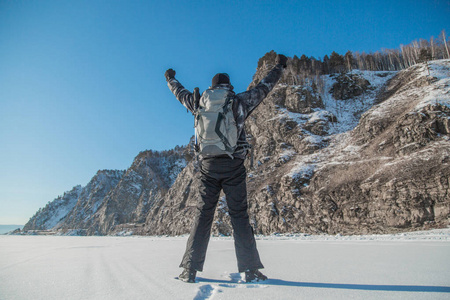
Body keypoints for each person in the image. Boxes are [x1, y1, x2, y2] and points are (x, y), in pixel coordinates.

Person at [164, 54, 287, 283]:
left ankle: (189, 270)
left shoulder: (198, 101)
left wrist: (171, 79)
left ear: (211, 87)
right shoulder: (239, 102)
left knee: (203, 217)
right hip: (233, 166)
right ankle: (250, 270)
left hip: (207, 168)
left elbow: (180, 94)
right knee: (239, 216)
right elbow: (264, 87)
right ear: (229, 86)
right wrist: (279, 67)